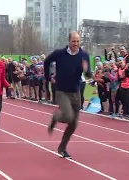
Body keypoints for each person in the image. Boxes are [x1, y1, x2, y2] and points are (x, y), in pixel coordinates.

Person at [44, 31, 91, 159]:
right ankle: (56, 116)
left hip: (76, 92)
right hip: (61, 90)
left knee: (74, 123)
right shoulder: (59, 54)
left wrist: (87, 70)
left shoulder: (83, 55)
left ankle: (62, 148)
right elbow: (47, 61)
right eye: (73, 41)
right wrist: (48, 77)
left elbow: (89, 74)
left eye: (78, 41)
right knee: (69, 116)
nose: (76, 44)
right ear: (69, 41)